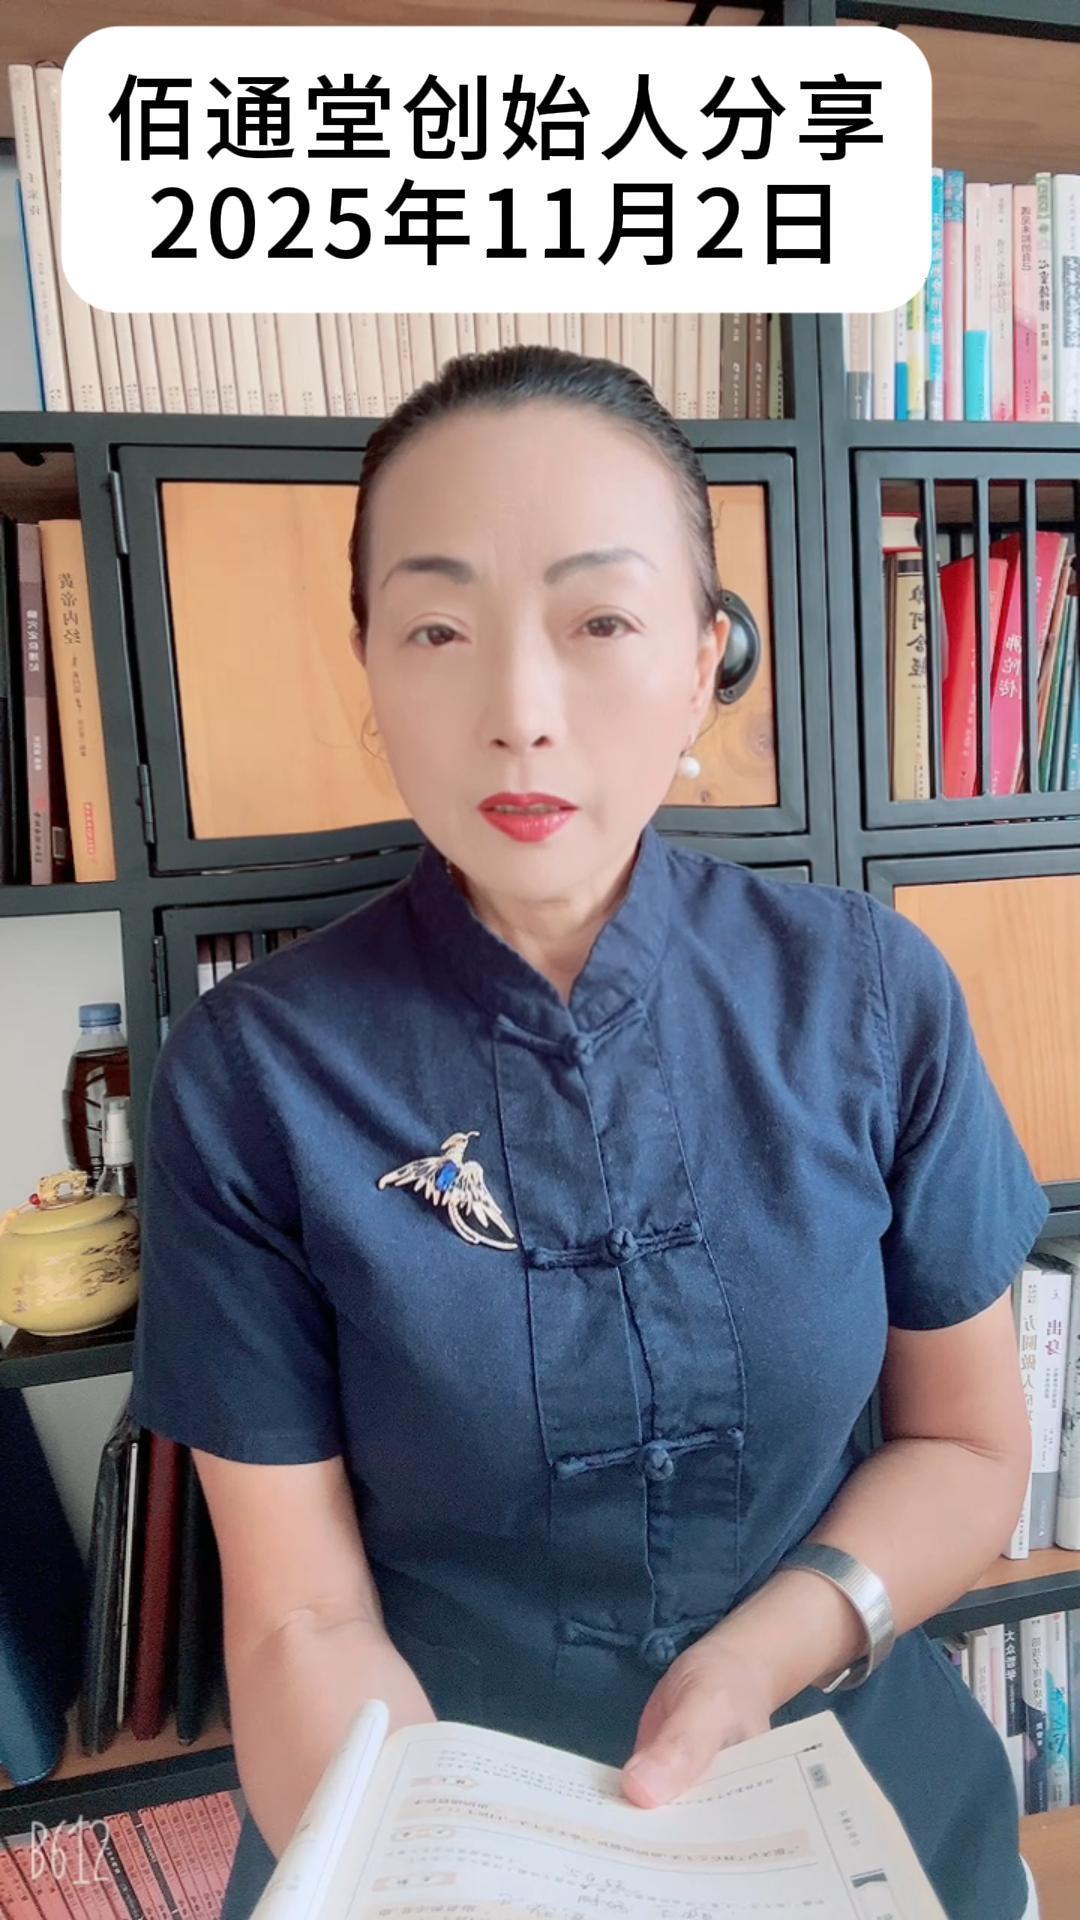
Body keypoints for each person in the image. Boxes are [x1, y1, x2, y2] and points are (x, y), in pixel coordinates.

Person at [128, 346, 1048, 1920]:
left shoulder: (871, 993)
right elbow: (299, 1619)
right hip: (434, 1816)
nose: (520, 716)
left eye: (600, 621)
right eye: (438, 630)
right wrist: (416, 1874)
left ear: (701, 663)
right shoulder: (253, 1072)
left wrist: (768, 1649)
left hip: (848, 1806)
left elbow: (965, 1448)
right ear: (370, 672)